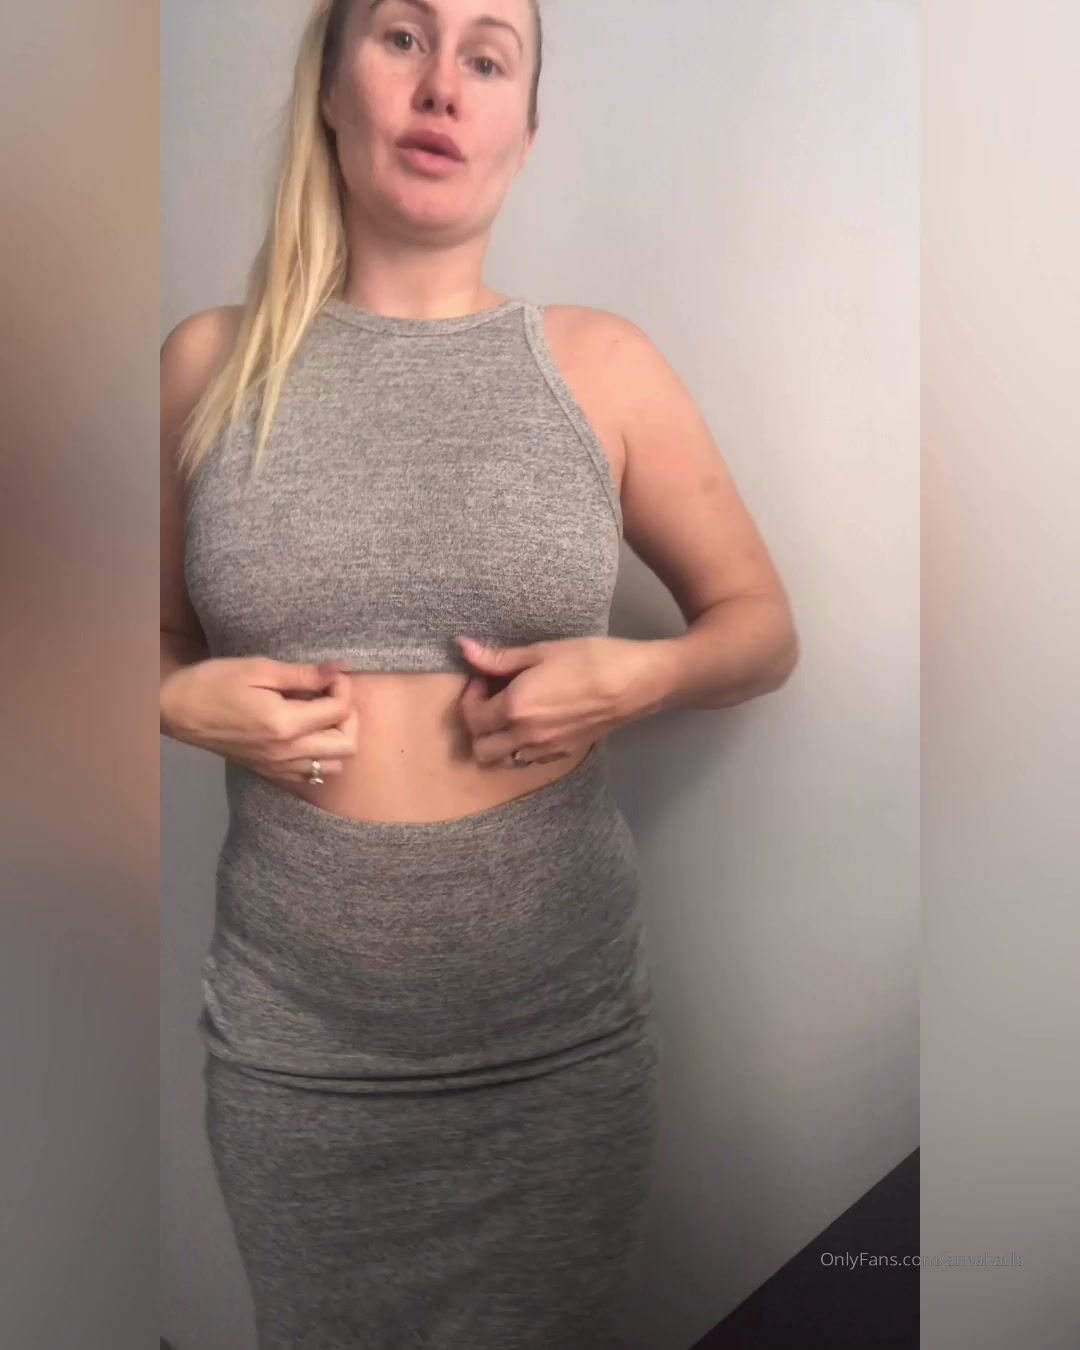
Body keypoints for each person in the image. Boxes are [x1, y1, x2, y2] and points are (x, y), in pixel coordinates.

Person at [160, 0, 799, 1345]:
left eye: (489, 55)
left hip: (552, 1053)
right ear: (330, 85)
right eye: (402, 36)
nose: (443, 83)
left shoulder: (601, 366)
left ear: (525, 128)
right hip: (294, 1057)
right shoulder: (206, 367)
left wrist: (637, 679)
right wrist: (166, 697)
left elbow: (759, 629)